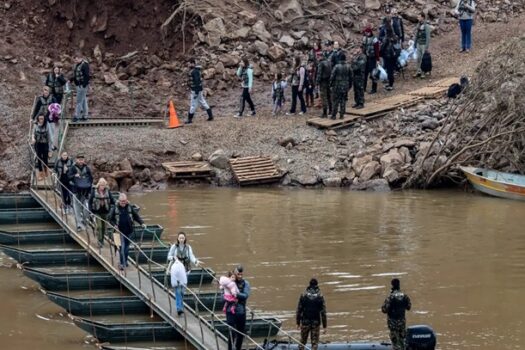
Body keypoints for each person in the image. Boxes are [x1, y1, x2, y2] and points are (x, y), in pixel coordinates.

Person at [108, 193, 146, 270]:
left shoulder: (129, 207)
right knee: (121, 247)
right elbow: (110, 218)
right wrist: (114, 225)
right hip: (118, 232)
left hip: (129, 231)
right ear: (119, 201)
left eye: (124, 201)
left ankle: (125, 261)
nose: (123, 203)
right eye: (122, 201)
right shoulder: (115, 208)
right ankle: (122, 264)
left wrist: (142, 223)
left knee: (126, 248)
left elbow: (136, 216)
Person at [296, 278, 327, 350]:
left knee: (302, 342)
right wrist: (324, 326)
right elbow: (323, 313)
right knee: (314, 343)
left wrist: (298, 323)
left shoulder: (303, 295)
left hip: (305, 322)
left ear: (309, 285)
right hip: (316, 323)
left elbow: (299, 310)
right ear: (317, 285)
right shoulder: (320, 296)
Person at [381, 278, 412, 350]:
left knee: (395, 342)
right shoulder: (405, 296)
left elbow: (384, 310)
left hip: (393, 322)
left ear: (392, 285)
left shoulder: (390, 297)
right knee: (402, 340)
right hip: (402, 322)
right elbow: (409, 307)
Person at [226, 265, 250, 350]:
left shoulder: (246, 283)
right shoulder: (229, 282)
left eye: (241, 274)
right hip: (230, 312)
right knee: (231, 333)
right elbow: (222, 297)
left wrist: (236, 295)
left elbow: (245, 295)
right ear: (235, 274)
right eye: (238, 274)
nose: (240, 276)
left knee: (240, 334)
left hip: (241, 312)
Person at [68, 154, 93, 231]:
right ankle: (79, 225)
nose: (81, 161)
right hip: (76, 191)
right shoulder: (72, 168)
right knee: (77, 209)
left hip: (85, 192)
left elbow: (91, 179)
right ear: (76, 160)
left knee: (86, 209)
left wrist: (89, 190)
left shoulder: (87, 168)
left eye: (82, 159)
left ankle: (84, 221)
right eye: (79, 159)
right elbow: (68, 177)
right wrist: (74, 175)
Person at [89, 178, 115, 247]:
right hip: (97, 212)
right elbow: (90, 202)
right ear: (99, 185)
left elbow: (113, 201)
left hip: (105, 212)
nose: (102, 187)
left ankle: (102, 240)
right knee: (99, 227)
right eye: (101, 185)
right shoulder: (94, 191)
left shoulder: (108, 191)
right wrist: (90, 211)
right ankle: (99, 241)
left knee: (104, 227)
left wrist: (112, 210)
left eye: (103, 185)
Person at [185, 58, 213, 124]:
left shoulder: (194, 71)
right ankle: (210, 116)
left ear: (192, 63)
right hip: (198, 90)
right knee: (203, 102)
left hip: (195, 90)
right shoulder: (197, 70)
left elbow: (197, 81)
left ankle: (189, 119)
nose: (188, 65)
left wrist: (196, 92)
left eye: (189, 63)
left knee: (193, 104)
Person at [329, 53, 352, 120]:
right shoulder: (348, 66)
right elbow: (351, 77)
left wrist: (330, 85)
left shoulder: (336, 66)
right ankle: (341, 115)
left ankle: (334, 115)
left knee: (335, 101)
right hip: (345, 86)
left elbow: (332, 76)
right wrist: (350, 86)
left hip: (337, 86)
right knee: (343, 100)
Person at [31, 114, 52, 180]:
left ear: (44, 119)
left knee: (45, 158)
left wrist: (50, 150)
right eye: (40, 119)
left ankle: (46, 170)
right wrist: (33, 138)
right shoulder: (36, 125)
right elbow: (33, 133)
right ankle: (40, 173)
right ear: (38, 119)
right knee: (39, 159)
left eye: (42, 118)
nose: (41, 120)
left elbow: (50, 136)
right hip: (38, 144)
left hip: (45, 144)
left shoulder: (47, 125)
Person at [71, 52, 90, 122]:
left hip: (82, 85)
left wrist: (84, 85)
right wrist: (71, 80)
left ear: (80, 58)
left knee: (79, 101)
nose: (75, 61)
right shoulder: (78, 65)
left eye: (76, 59)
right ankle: (85, 115)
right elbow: (76, 74)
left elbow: (87, 76)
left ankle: (77, 116)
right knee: (84, 100)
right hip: (79, 84)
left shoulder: (84, 65)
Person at [362, 25, 380, 94]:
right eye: (365, 33)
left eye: (367, 32)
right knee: (365, 74)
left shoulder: (375, 39)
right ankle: (363, 88)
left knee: (373, 74)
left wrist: (377, 60)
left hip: (373, 59)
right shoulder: (364, 38)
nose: (366, 34)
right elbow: (363, 48)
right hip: (366, 58)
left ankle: (374, 89)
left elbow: (377, 50)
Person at [380, 25, 398, 91]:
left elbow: (383, 47)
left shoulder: (386, 38)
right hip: (394, 56)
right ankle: (391, 83)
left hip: (387, 56)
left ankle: (390, 85)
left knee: (389, 71)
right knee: (391, 70)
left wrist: (380, 53)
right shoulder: (395, 37)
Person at [413, 13, 431, 78]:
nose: (418, 18)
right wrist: (415, 43)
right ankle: (418, 71)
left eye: (419, 17)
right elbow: (416, 35)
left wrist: (426, 46)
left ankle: (423, 72)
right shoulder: (418, 25)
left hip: (423, 44)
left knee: (423, 59)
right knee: (418, 58)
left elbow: (428, 37)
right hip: (418, 43)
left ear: (423, 17)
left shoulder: (426, 26)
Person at [316, 52, 332, 118]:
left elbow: (319, 74)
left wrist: (317, 82)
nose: (317, 58)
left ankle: (325, 112)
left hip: (323, 82)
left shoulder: (321, 63)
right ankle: (331, 110)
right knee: (329, 96)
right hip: (329, 81)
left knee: (323, 97)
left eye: (318, 56)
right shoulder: (328, 62)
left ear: (321, 56)